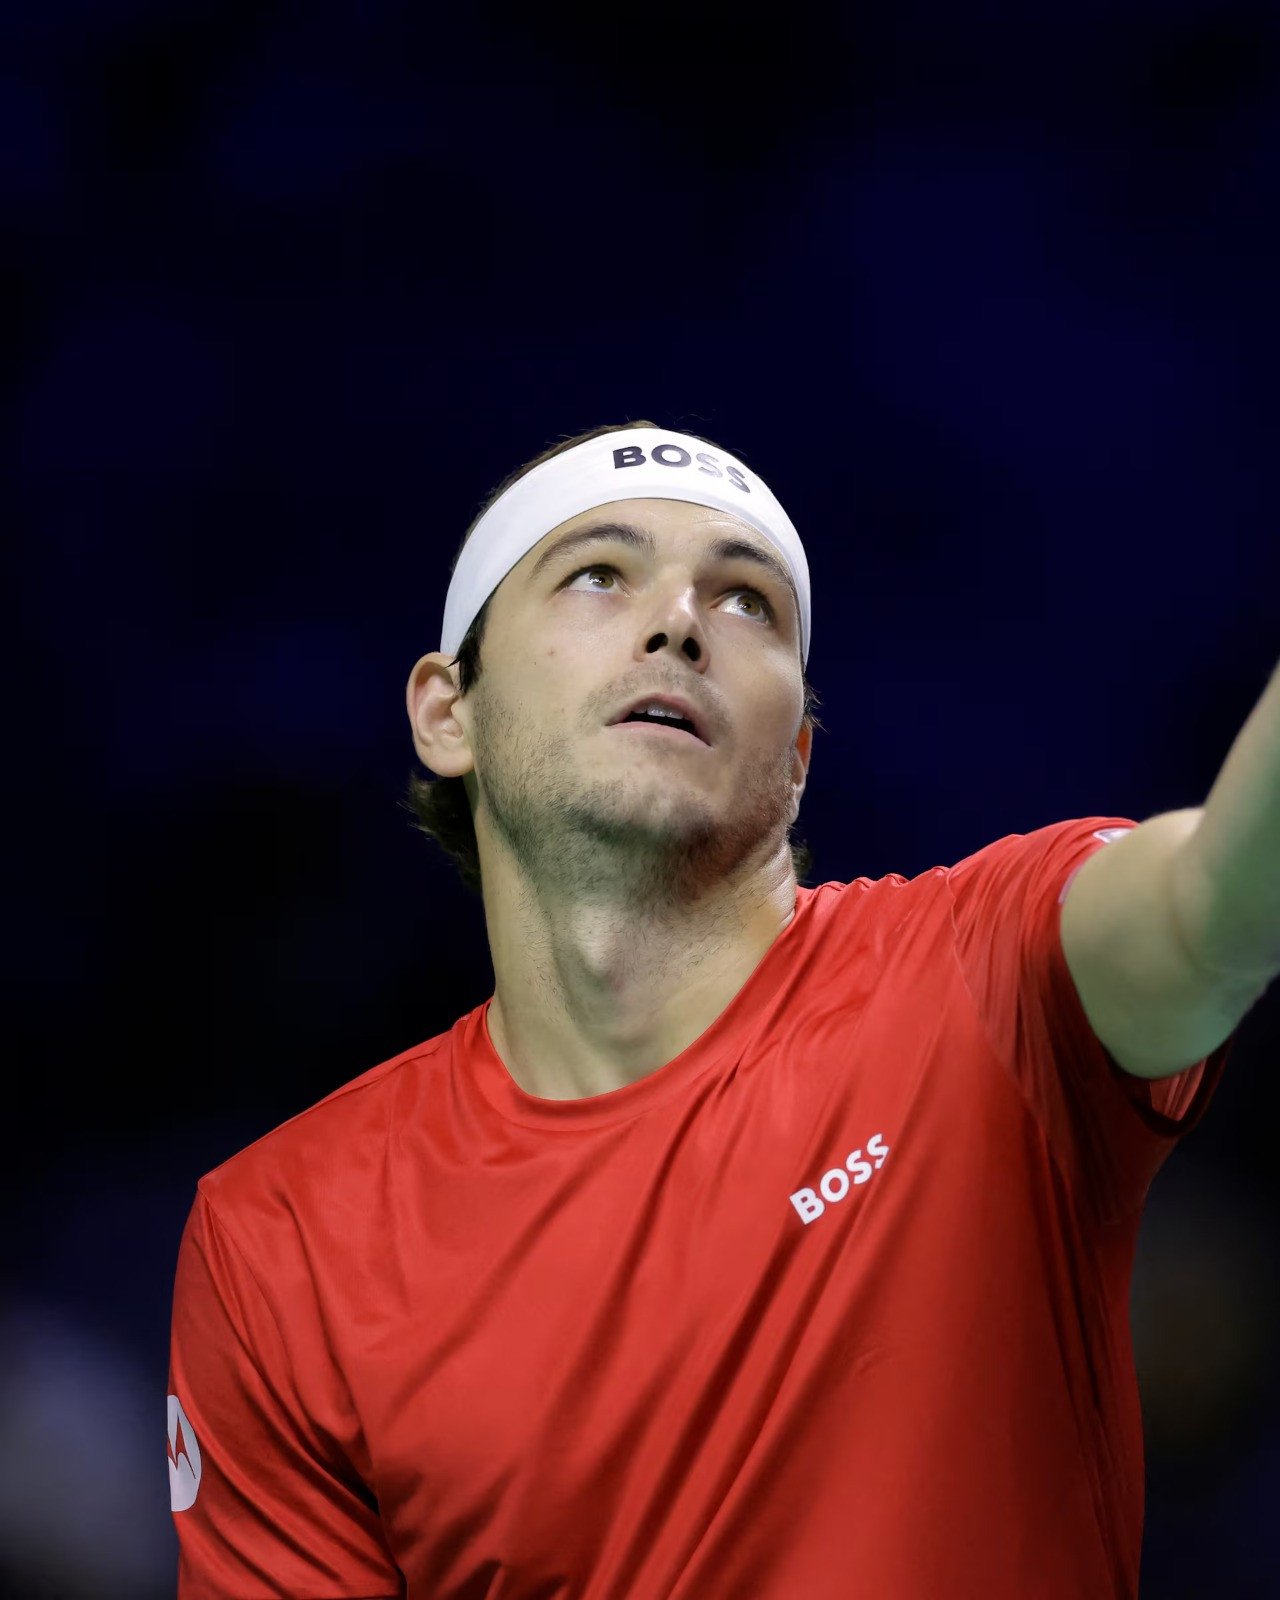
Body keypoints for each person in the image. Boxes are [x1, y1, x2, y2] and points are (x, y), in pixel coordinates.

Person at [167, 420, 1240, 1599]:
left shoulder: (991, 972)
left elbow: (1215, 895)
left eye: (746, 604)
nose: (678, 619)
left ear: (796, 757)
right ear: (446, 712)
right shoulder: (281, 1235)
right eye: (595, 573)